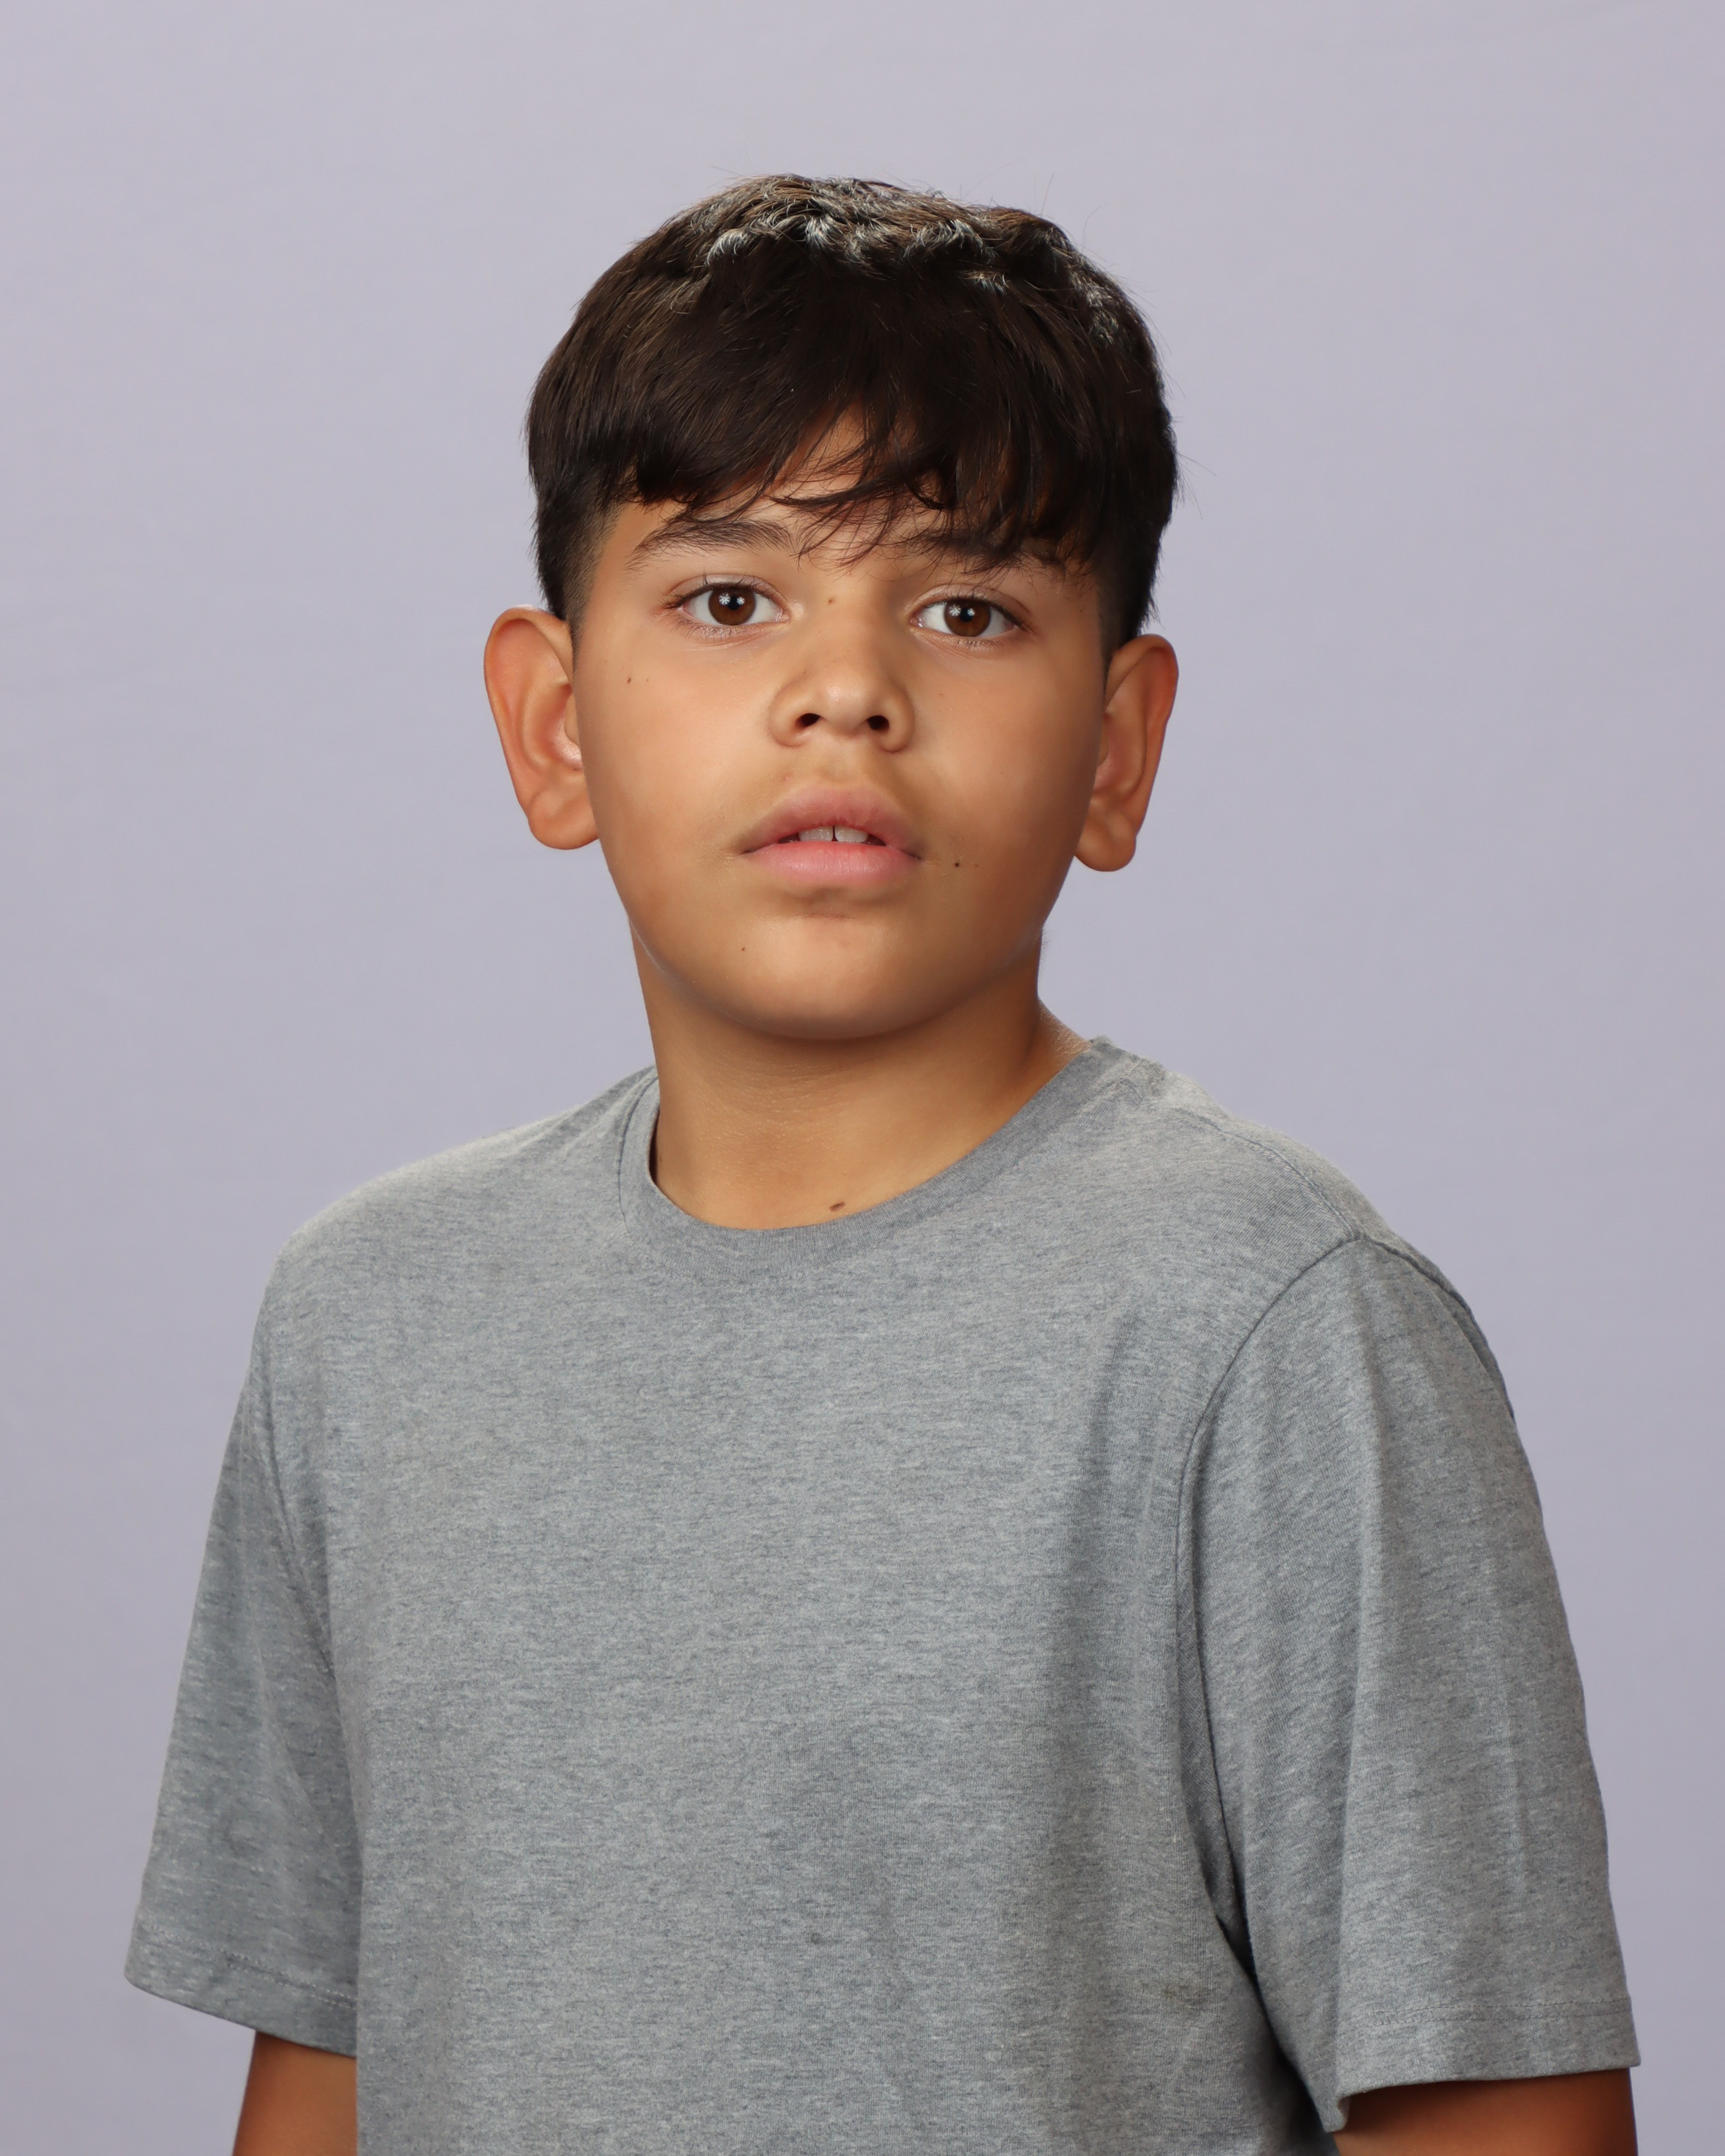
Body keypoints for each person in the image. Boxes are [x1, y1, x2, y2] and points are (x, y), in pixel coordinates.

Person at [126, 176, 1639, 2155]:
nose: (846, 687)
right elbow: (334, 2073)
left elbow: (1503, 2115)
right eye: (728, 597)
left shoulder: (1276, 1330)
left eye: (966, 608)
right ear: (552, 724)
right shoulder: (369, 1321)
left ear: (1117, 747)